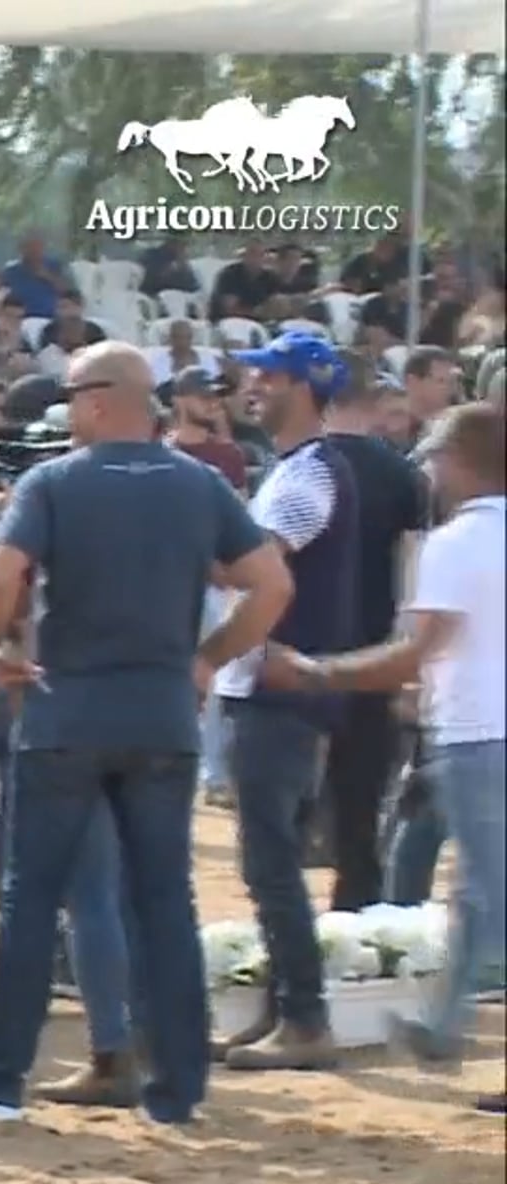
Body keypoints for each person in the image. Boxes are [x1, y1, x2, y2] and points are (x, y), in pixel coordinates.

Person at [0, 341, 291, 1127]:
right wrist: (207, 660)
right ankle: (177, 1086)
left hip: (67, 714)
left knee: (31, 899)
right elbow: (270, 584)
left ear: (96, 400)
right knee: (164, 901)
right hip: (161, 715)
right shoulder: (200, 483)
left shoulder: (54, 482)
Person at [260, 403, 504, 1115]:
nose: (429, 472)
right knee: (477, 892)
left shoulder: (458, 542)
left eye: (435, 459)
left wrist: (317, 672)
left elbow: (416, 650)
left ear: (458, 461)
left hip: (480, 732)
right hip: (480, 729)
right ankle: (445, 1023)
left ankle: (445, 1025)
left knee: (491, 894)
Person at [213, 331, 360, 1073]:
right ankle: (285, 1009)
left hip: (278, 693)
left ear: (303, 385)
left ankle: (304, 1017)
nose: (254, 385)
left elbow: (248, 567)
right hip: (278, 689)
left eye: (268, 375)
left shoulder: (306, 477)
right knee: (271, 861)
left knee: (270, 862)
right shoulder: (299, 469)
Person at [316, 354, 429, 912]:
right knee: (361, 799)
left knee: (284, 802)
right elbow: (413, 572)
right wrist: (406, 657)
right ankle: (354, 912)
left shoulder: (300, 466)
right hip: (373, 653)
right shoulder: (401, 474)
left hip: (297, 651)